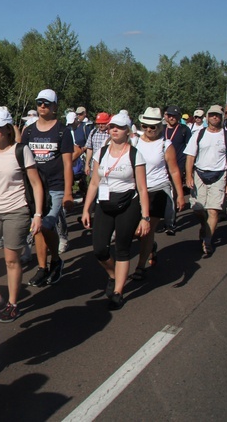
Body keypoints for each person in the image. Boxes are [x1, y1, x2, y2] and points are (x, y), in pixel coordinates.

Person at [0, 107, 43, 322]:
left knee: (11, 260)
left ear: (8, 129)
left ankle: (12, 304)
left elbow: (35, 184)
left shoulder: (21, 150)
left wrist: (38, 214)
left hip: (16, 210)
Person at [81, 113, 150, 310]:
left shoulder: (135, 155)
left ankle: (118, 291)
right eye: (112, 127)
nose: (114, 130)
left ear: (128, 131)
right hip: (104, 203)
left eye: (119, 127)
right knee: (99, 249)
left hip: (128, 204)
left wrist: (145, 217)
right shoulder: (101, 153)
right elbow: (94, 182)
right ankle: (113, 274)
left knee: (122, 247)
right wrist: (86, 209)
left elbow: (142, 188)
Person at [20, 89, 75, 287]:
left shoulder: (62, 131)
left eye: (47, 103)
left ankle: (57, 261)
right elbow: (21, 160)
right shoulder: (29, 131)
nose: (42, 106)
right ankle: (43, 267)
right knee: (38, 228)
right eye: (39, 103)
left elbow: (68, 164)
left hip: (55, 186)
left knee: (46, 224)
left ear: (54, 107)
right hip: (35, 187)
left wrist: (68, 192)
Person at [130, 108, 186, 279]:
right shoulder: (135, 142)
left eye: (153, 126)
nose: (149, 129)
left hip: (158, 190)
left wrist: (180, 195)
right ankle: (151, 247)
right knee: (135, 232)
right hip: (137, 191)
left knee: (146, 229)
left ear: (159, 126)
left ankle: (140, 266)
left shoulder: (165, 145)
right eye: (145, 126)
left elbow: (174, 171)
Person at [184, 105, 227, 257]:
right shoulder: (199, 134)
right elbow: (190, 156)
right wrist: (188, 175)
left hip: (219, 175)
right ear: (207, 117)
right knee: (198, 209)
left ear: (222, 117)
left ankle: (207, 240)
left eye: (218, 115)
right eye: (212, 115)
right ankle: (203, 225)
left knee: (214, 210)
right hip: (199, 174)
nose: (215, 117)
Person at [163, 105, 192, 235]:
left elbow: (191, 148)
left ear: (179, 117)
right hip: (161, 166)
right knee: (163, 195)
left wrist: (188, 170)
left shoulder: (184, 130)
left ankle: (171, 223)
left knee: (173, 194)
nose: (172, 118)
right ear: (165, 116)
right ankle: (163, 218)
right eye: (169, 115)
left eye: (174, 116)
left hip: (178, 166)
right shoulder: (160, 129)